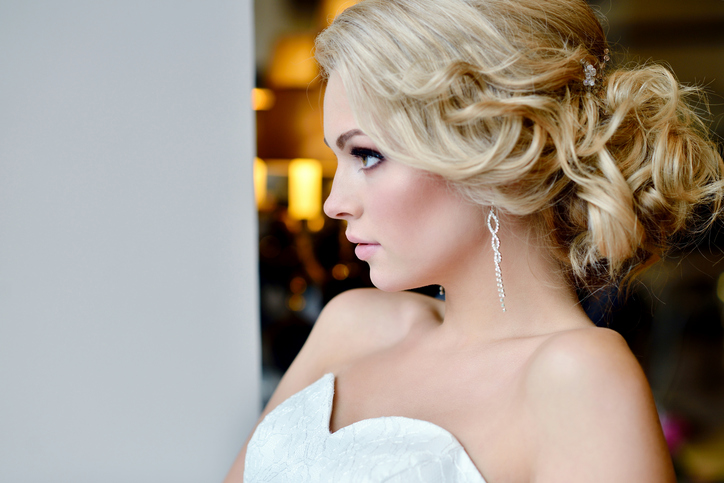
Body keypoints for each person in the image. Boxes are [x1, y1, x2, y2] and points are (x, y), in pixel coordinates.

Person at [227, 0, 724, 481]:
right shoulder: (350, 326)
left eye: (367, 155)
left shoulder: (578, 376)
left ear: (493, 152)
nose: (334, 203)